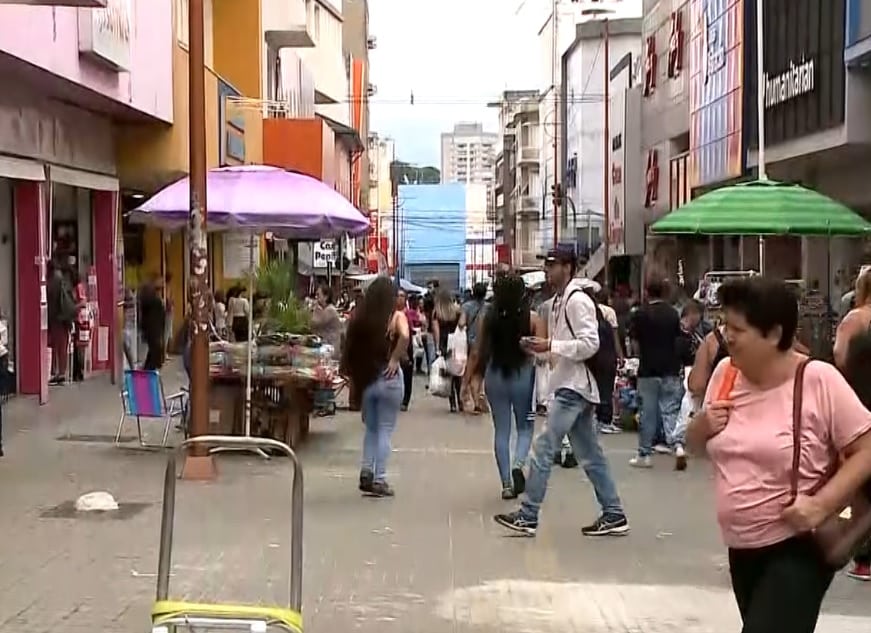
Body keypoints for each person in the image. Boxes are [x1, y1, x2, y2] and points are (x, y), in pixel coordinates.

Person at [686, 277, 871, 632]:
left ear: (773, 334)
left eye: (738, 328)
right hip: (741, 548)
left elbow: (866, 446)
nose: (727, 336)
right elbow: (695, 447)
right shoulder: (725, 374)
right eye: (725, 324)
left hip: (798, 546)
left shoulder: (817, 379)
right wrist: (702, 425)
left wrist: (821, 504)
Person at [494, 246, 629, 537]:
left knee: (543, 449)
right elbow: (566, 347)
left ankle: (528, 514)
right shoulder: (558, 302)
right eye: (547, 264)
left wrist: (551, 346)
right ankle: (614, 512)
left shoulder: (576, 301)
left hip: (575, 387)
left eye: (553, 264)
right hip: (571, 384)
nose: (547, 269)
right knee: (590, 454)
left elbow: (589, 344)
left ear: (568, 268)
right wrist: (540, 349)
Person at [476, 273, 543, 499]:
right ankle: (518, 465)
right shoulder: (532, 319)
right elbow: (543, 351)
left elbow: (478, 351)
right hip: (523, 374)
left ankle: (506, 483)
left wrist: (470, 383)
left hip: (494, 374)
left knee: (501, 430)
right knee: (525, 426)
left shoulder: (488, 318)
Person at [341, 277, 409, 497]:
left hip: (367, 379)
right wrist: (395, 359)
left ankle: (366, 470)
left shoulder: (359, 319)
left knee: (371, 430)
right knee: (385, 430)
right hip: (389, 379)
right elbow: (406, 336)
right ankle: (379, 478)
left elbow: (349, 353)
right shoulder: (395, 316)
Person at [833, 268, 871, 582]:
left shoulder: (855, 320)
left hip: (862, 404)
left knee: (860, 483)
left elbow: (839, 358)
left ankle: (864, 557)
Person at [629, 276, 686, 470]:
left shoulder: (640, 314)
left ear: (646, 292)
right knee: (671, 410)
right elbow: (678, 340)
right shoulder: (673, 314)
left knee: (648, 413)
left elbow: (635, 342)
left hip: (648, 370)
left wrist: (638, 356)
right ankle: (678, 445)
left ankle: (644, 454)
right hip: (670, 368)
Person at [431, 288, 463, 412]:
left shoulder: (437, 312)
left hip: (445, 344)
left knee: (448, 373)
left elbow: (436, 331)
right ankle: (460, 401)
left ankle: (453, 403)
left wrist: (438, 347)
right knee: (458, 373)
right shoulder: (457, 310)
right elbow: (461, 326)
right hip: (456, 343)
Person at [459, 282, 488, 413]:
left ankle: (467, 392)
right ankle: (477, 399)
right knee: (479, 374)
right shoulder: (489, 307)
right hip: (487, 345)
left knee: (471, 372)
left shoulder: (466, 307)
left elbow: (461, 323)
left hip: (471, 345)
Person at [47, 261, 76, 385]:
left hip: (57, 318)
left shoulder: (53, 281)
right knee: (62, 347)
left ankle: (58, 373)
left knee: (57, 346)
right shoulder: (62, 280)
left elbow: (54, 302)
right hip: (63, 318)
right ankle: (61, 373)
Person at [138, 274, 167, 371]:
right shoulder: (150, 297)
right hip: (153, 328)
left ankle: (149, 369)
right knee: (154, 349)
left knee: (153, 351)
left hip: (155, 327)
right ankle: (149, 370)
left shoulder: (153, 296)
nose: (163, 284)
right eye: (161, 281)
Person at [394, 289, 414, 411]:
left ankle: (405, 400)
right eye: (398, 296)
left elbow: (409, 333)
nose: (400, 298)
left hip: (407, 347)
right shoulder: (392, 313)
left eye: (402, 296)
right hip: (394, 346)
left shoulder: (407, 314)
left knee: (407, 375)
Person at [311, 284, 342, 359]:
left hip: (331, 347)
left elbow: (315, 323)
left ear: (326, 297)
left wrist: (315, 309)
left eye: (318, 295)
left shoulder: (330, 310)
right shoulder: (324, 309)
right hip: (326, 344)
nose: (316, 297)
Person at [70, 269, 90, 382]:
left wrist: (73, 307)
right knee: (79, 346)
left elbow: (83, 302)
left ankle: (79, 372)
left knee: (79, 346)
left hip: (80, 319)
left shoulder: (78, 287)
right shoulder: (79, 286)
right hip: (80, 319)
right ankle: (79, 371)